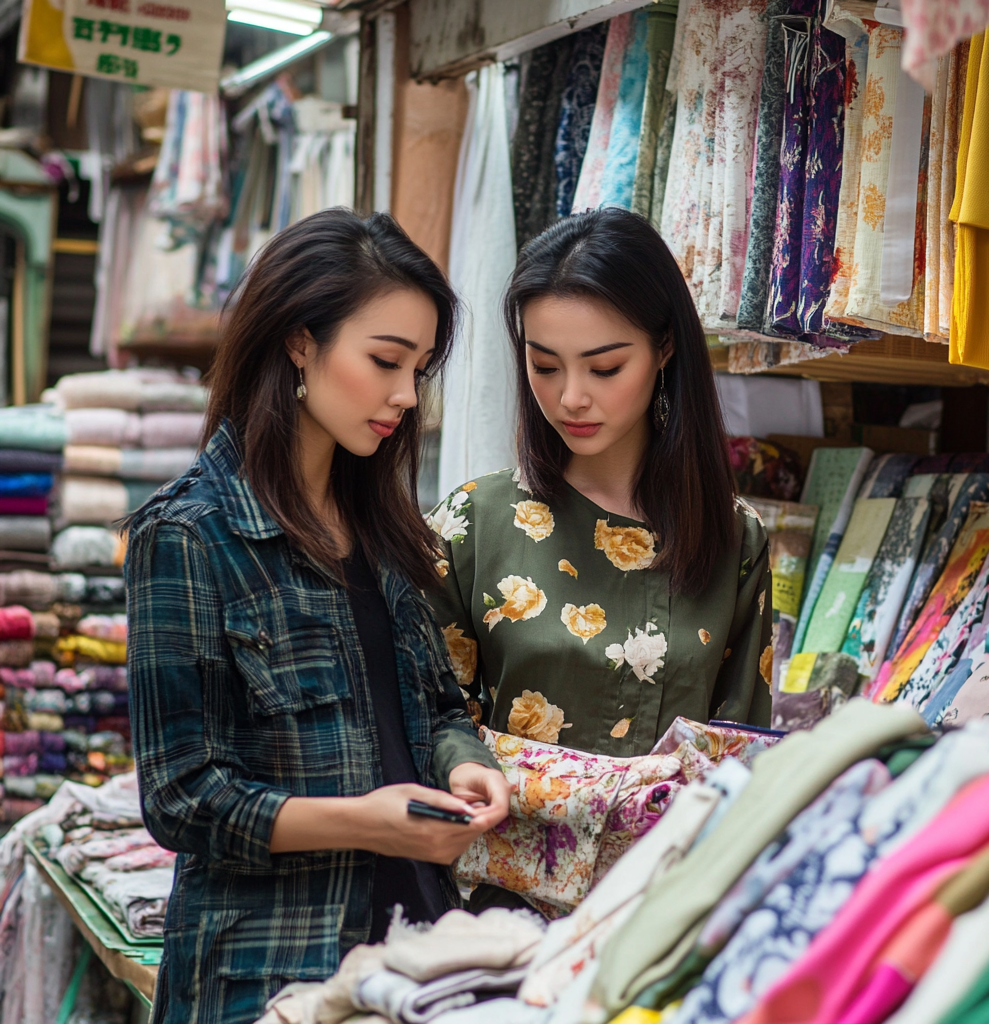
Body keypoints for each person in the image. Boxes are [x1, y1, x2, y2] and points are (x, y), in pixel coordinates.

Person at [125, 209, 511, 1024]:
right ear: (301, 341)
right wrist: (368, 825)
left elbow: (432, 706)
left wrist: (461, 762)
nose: (406, 396)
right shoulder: (190, 533)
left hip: (413, 957)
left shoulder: (381, 522)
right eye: (384, 361)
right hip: (269, 975)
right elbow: (181, 796)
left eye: (419, 369)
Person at [428, 208, 773, 761]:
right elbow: (427, 728)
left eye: (605, 368)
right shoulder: (472, 523)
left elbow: (745, 753)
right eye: (544, 366)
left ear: (664, 349)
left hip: (676, 847)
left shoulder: (734, 536)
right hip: (498, 840)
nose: (571, 398)